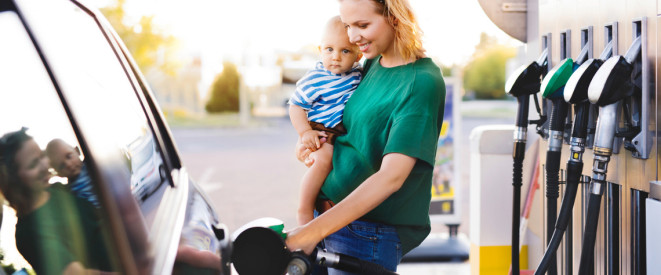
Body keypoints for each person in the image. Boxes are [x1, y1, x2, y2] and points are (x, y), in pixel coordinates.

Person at [285, 0, 446, 273]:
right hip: (327, 220)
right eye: (348, 25)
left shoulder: (420, 83)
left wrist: (310, 233)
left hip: (365, 234)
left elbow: (391, 178)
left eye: (362, 25)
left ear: (395, 18)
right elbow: (355, 132)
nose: (351, 36)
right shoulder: (371, 62)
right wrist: (311, 141)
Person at [0, 128, 115, 275]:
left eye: (42, 156)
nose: (45, 165)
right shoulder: (29, 233)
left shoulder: (59, 189)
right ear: (14, 181)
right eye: (33, 164)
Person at [288, 15, 363, 226]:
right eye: (329, 49)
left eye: (345, 51)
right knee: (323, 160)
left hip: (338, 132)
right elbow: (296, 106)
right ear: (320, 49)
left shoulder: (357, 74)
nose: (336, 57)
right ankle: (304, 209)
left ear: (358, 56)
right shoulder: (316, 78)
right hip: (321, 131)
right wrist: (305, 133)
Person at [46, 138, 100, 208]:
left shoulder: (93, 166)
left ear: (77, 151)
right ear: (59, 174)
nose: (68, 165)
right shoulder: (68, 192)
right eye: (62, 166)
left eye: (69, 156)